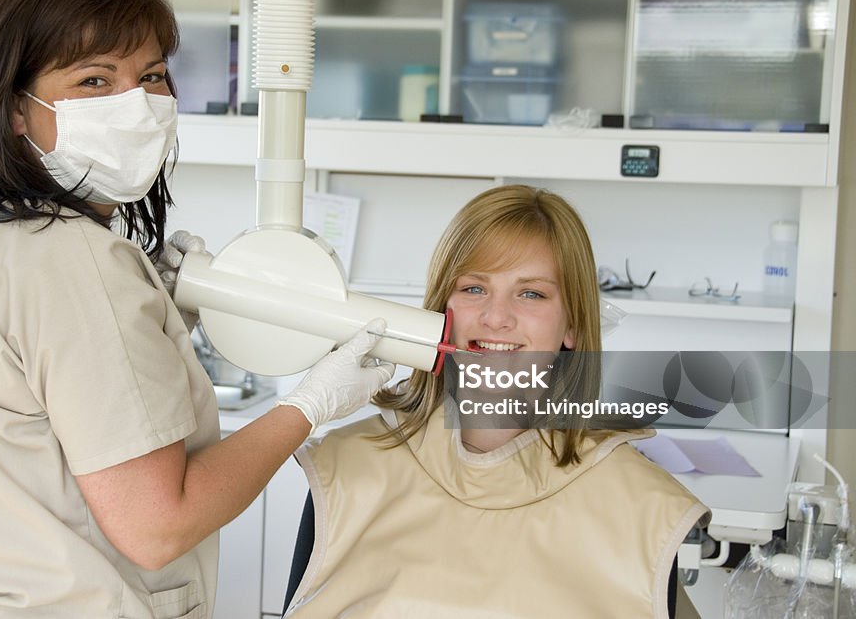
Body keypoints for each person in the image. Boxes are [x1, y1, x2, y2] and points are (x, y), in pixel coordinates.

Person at [0, 0, 394, 618]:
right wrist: (309, 406)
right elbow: (158, 527)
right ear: (12, 111)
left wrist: (159, 322)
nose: (136, 106)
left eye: (150, 77)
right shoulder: (69, 258)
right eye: (94, 80)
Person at [282, 185, 710, 618]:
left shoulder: (645, 509)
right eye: (473, 288)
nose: (496, 317)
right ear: (440, 311)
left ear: (573, 326)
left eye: (531, 294)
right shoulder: (346, 470)